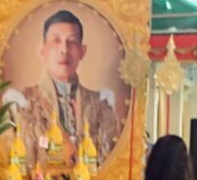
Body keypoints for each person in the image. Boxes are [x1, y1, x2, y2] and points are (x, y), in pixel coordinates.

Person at [12, 9, 123, 165]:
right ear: (42, 50)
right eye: (56, 41)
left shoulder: (101, 106)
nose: (64, 49)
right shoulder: (21, 102)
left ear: (82, 51)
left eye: (71, 41)